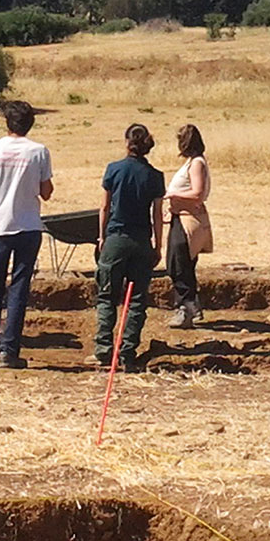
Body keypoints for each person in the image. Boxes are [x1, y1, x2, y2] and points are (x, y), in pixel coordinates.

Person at [0, 101, 54, 369]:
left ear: (7, 122)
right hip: (29, 228)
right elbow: (47, 192)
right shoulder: (39, 152)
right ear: (30, 123)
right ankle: (9, 352)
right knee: (19, 289)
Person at [92, 123, 165, 372]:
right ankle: (127, 352)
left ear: (127, 143)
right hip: (141, 240)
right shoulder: (155, 176)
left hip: (116, 237)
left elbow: (104, 207)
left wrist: (101, 237)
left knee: (107, 295)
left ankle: (103, 350)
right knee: (136, 301)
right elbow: (157, 214)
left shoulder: (113, 170)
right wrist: (158, 244)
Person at [164, 124, 213, 328]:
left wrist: (172, 195)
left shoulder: (196, 164)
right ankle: (189, 307)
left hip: (188, 220)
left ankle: (187, 308)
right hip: (180, 217)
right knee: (178, 263)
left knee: (180, 264)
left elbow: (198, 193)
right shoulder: (192, 162)